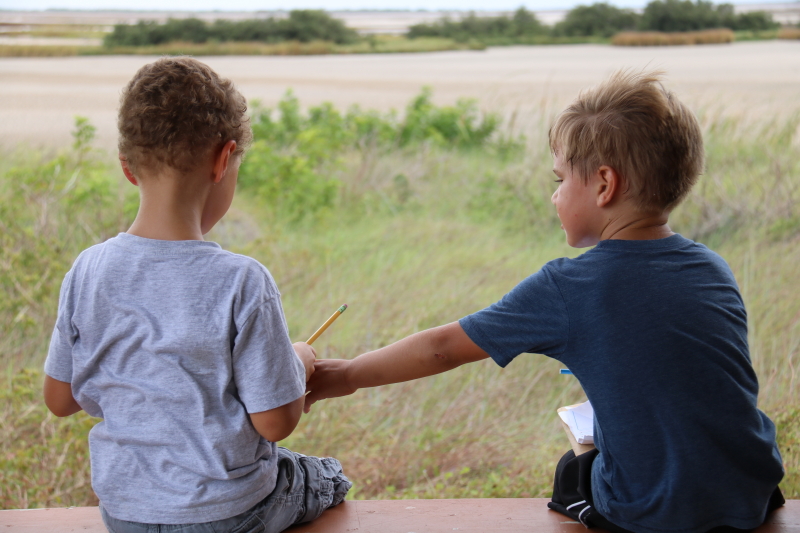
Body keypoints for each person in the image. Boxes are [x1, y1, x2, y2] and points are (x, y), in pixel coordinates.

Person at [304, 70, 785, 533]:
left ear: (604, 184)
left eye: (559, 180)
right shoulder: (712, 267)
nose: (555, 197)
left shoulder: (568, 286)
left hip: (655, 511)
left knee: (571, 473)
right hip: (752, 493)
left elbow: (442, 348)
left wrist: (346, 375)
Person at [42, 57, 351, 533]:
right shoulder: (242, 280)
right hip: (230, 514)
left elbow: (60, 399)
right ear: (224, 160)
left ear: (128, 168)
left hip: (125, 514)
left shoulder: (88, 269)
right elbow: (274, 423)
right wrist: (300, 362)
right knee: (321, 475)